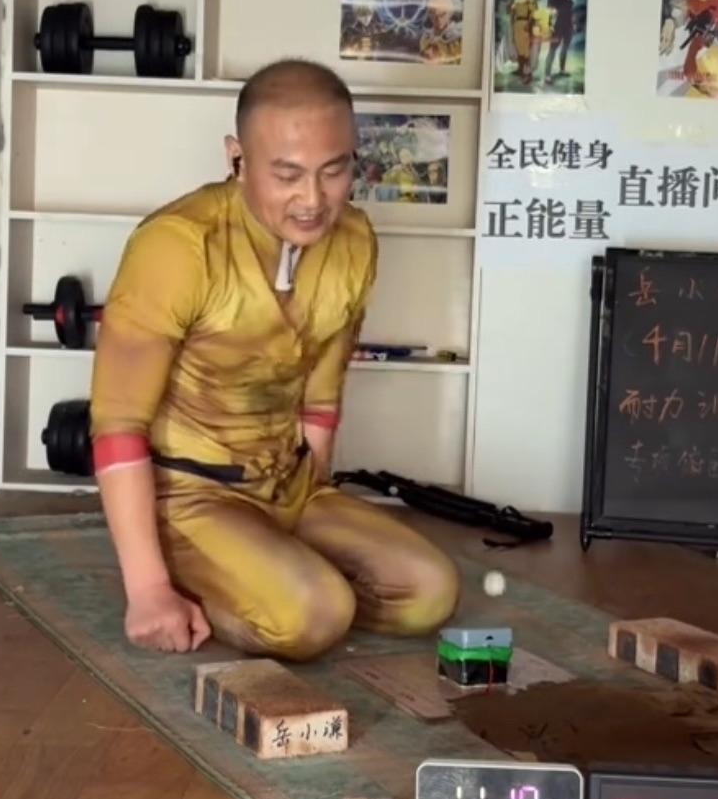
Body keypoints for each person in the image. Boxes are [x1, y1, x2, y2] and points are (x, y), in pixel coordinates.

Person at [89, 58, 461, 659]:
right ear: (237, 158)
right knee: (315, 615)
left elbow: (321, 395)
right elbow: (117, 425)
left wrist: (313, 506)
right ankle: (192, 574)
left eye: (334, 171)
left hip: (288, 484)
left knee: (429, 592)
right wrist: (148, 589)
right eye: (287, 174)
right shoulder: (179, 246)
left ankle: (278, 574)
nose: (312, 199)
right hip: (191, 494)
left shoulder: (355, 242)